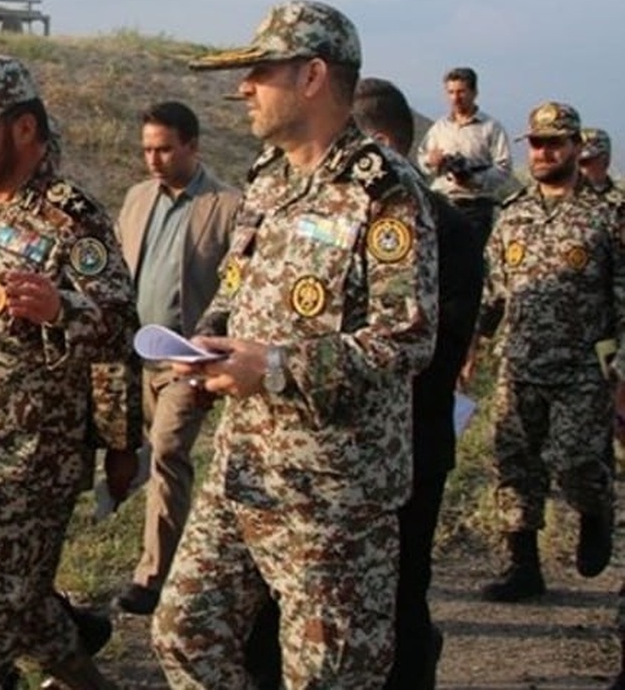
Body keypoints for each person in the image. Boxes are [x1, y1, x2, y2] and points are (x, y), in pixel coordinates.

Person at [151, 0, 439, 690]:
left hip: (333, 491)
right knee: (183, 632)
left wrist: (275, 366)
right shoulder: (269, 179)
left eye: (261, 71)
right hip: (245, 466)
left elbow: (408, 338)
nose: (245, 86)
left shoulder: (384, 191)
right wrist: (206, 345)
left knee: (328, 676)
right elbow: (240, 283)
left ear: (313, 76)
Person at [243, 77, 481, 690]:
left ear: (377, 143)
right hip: (307, 450)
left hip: (404, 452)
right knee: (287, 615)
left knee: (396, 604)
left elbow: (426, 351)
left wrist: (292, 362)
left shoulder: (443, 228)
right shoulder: (302, 201)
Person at [0, 55, 141, 690]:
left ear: (24, 130)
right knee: (22, 606)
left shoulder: (72, 219)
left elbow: (122, 329)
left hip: (26, 467)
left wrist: (60, 307)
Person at [465, 101, 625, 603]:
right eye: (536, 143)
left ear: (576, 147)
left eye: (555, 142)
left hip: (582, 364)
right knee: (514, 465)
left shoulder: (607, 218)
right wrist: (473, 343)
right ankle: (523, 567)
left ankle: (595, 511)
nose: (544, 152)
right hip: (519, 360)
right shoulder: (514, 216)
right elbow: (493, 292)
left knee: (577, 458)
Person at [112, 101, 239, 616]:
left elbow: (237, 289)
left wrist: (209, 352)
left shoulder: (228, 206)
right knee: (133, 457)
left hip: (186, 363)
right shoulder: (137, 198)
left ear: (192, 145)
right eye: (147, 149)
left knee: (167, 453)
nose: (154, 159)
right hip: (133, 358)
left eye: (164, 149)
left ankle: (153, 576)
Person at [417, 66, 513, 249]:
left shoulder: (491, 127)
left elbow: (504, 168)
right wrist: (431, 161)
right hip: (442, 205)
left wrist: (474, 180)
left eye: (461, 91)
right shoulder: (439, 128)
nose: (455, 98)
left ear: (474, 92)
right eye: (450, 92)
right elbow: (421, 160)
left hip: (475, 208)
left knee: (472, 264)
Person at [580, 127, 621, 199]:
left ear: (604, 159)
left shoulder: (621, 197)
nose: (578, 167)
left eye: (584, 162)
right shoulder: (561, 197)